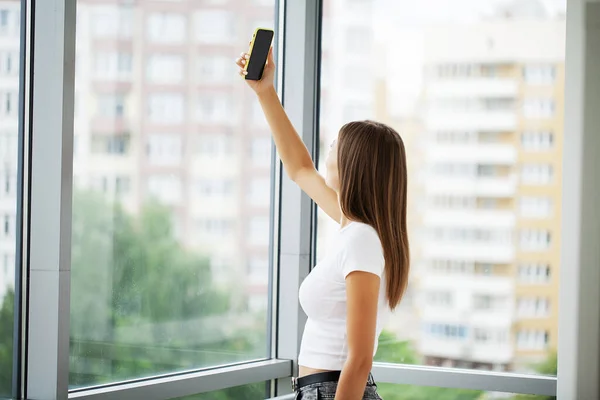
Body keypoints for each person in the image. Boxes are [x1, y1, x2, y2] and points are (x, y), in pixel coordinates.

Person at [235, 47, 410, 400]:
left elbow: (360, 359)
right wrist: (265, 91)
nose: (328, 148)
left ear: (353, 165)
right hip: (320, 390)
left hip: (332, 391)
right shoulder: (357, 228)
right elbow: (300, 168)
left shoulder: (362, 240)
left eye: (335, 145)